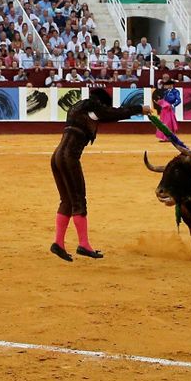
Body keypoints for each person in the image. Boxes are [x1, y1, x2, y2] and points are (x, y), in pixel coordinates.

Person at [50, 85, 143, 261]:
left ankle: (58, 243)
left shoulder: (76, 107)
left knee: (67, 200)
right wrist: (140, 109)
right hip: (69, 158)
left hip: (56, 158)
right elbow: (114, 114)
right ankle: (83, 244)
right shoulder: (94, 108)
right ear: (101, 102)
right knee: (78, 200)